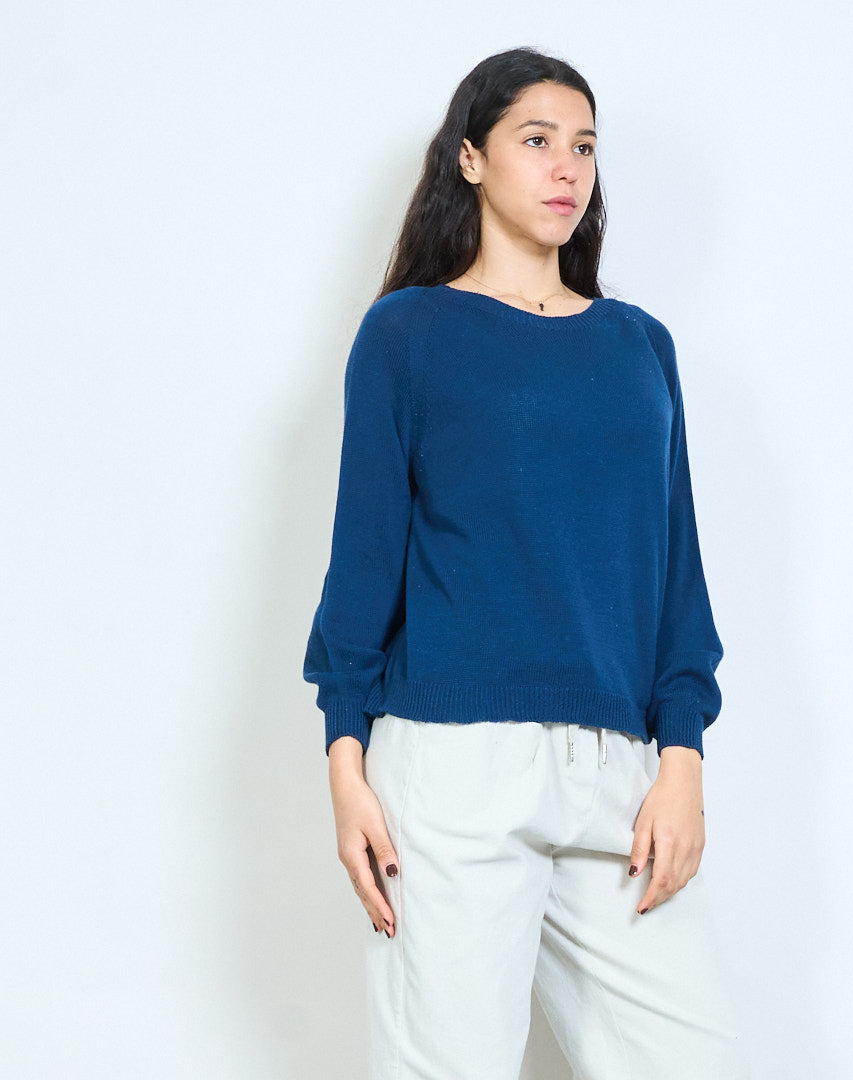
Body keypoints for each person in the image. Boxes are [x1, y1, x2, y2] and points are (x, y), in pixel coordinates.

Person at [303, 45, 749, 1080]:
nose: (566, 167)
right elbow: (363, 560)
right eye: (537, 140)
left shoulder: (638, 345)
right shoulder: (408, 335)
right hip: (451, 769)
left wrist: (681, 757)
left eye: (584, 147)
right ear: (470, 158)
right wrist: (345, 761)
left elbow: (674, 564)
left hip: (619, 772)